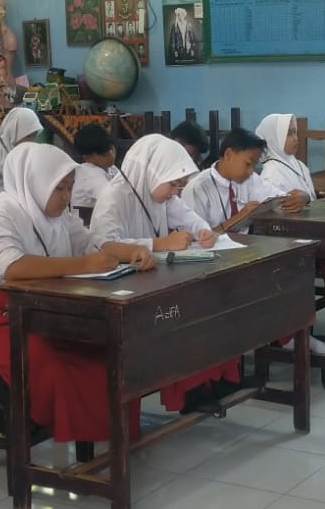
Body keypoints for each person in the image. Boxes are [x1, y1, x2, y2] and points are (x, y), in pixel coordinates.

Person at [0, 142, 154, 443]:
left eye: (70, 188)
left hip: (51, 308)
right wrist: (84, 264)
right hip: (2, 316)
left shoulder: (61, 214)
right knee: (54, 364)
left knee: (107, 350)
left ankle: (114, 434)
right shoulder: (2, 212)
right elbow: (12, 266)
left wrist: (131, 251)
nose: (66, 197)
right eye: (59, 189)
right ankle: (56, 424)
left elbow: (89, 243)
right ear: (36, 182)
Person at [91, 134, 241, 413]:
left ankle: (212, 380)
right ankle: (192, 391)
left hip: (155, 279)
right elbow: (105, 246)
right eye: (173, 184)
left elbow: (188, 217)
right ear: (152, 173)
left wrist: (204, 232)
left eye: (179, 185)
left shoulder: (160, 194)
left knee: (212, 304)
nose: (175, 191)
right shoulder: (114, 197)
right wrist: (159, 244)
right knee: (184, 319)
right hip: (126, 288)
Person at [181, 128, 307, 235]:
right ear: (228, 154)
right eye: (248, 163)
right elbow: (196, 239)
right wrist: (241, 217)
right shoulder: (198, 188)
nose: (251, 171)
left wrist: (302, 197)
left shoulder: (250, 179)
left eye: (254, 165)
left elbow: (280, 199)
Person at [0, 106, 42, 187]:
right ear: (15, 132)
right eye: (28, 136)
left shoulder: (27, 151)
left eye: (34, 136)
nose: (31, 141)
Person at [71, 123, 118, 213]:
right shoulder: (89, 173)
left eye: (111, 149)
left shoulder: (111, 168)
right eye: (104, 154)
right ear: (87, 158)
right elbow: (114, 199)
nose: (111, 156)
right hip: (86, 221)